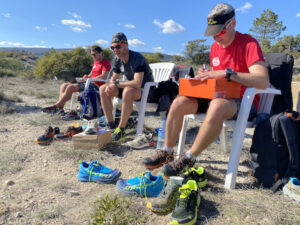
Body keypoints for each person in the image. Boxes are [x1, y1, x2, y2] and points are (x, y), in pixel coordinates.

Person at [142, 3, 269, 177]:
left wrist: (228, 73)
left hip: (244, 102)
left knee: (217, 106)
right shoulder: (215, 48)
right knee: (179, 102)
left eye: (220, 32)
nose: (216, 38)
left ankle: (189, 157)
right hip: (217, 96)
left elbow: (262, 81)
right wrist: (207, 75)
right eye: (212, 34)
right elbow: (217, 78)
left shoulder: (248, 44)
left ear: (233, 24)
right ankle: (167, 151)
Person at [99, 32, 154, 142]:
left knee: (127, 91)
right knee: (103, 89)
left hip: (147, 91)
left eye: (118, 46)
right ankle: (110, 124)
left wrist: (117, 84)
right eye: (112, 47)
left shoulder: (137, 58)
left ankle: (121, 129)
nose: (115, 50)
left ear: (126, 45)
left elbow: (138, 83)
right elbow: (114, 79)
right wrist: (111, 86)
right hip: (133, 89)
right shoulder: (117, 60)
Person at [42, 45, 111, 114]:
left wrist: (89, 79)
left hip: (96, 85)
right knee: (64, 85)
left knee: (70, 87)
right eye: (92, 55)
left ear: (100, 53)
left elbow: (104, 76)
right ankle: (60, 108)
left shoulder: (105, 62)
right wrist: (86, 76)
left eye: (94, 54)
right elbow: (91, 74)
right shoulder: (95, 62)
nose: (93, 56)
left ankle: (55, 106)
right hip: (89, 82)